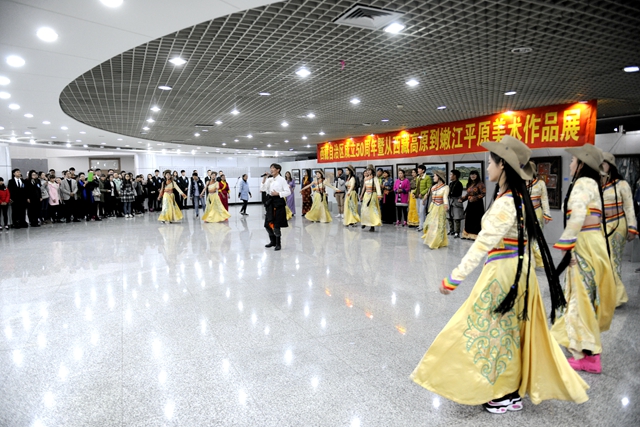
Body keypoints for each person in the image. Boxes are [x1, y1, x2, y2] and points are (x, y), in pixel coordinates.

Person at [412, 135, 589, 413]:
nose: (487, 167)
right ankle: (510, 390)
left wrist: (455, 277)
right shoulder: (517, 197)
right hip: (517, 270)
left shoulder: (507, 202)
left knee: (487, 329)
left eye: (491, 162)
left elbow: (482, 244)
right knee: (508, 329)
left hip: (503, 274)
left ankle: (502, 390)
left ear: (503, 165)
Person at [550, 144, 616, 374]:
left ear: (581, 163)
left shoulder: (583, 183)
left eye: (573, 160)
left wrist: (566, 245)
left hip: (583, 243)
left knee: (581, 298)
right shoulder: (593, 183)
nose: (570, 164)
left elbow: (577, 216)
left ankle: (590, 355)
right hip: (591, 242)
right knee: (583, 296)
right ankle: (584, 350)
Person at [601, 151, 637, 306]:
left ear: (610, 166)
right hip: (599, 226)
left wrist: (632, 228)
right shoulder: (595, 184)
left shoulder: (622, 184)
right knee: (602, 260)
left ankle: (616, 297)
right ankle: (605, 294)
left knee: (612, 260)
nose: (600, 166)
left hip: (617, 225)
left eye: (603, 163)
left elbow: (629, 207)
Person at [261, 163, 291, 251]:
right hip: (270, 202)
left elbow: (288, 192)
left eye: (273, 168)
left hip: (278, 203)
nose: (271, 170)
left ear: (278, 170)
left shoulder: (282, 180)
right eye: (270, 168)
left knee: (276, 225)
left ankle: (278, 243)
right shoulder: (269, 179)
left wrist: (278, 193)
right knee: (267, 224)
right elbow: (263, 189)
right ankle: (272, 241)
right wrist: (264, 178)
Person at [527, 163, 552, 265]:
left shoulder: (540, 183)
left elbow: (544, 199)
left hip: (537, 212)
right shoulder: (520, 183)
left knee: (537, 236)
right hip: (524, 212)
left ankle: (538, 259)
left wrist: (547, 214)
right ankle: (527, 260)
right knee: (525, 236)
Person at [422, 170, 449, 249]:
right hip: (433, 207)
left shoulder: (445, 187)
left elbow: (445, 197)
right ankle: (431, 240)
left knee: (439, 225)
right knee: (431, 224)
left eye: (434, 176)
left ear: (439, 177)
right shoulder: (433, 187)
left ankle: (436, 242)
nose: (433, 177)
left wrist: (446, 205)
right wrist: (424, 200)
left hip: (440, 207)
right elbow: (427, 194)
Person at [460, 170, 486, 240]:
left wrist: (474, 198)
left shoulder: (480, 183)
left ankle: (475, 236)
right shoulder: (469, 183)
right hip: (470, 204)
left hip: (477, 204)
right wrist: (462, 199)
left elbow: (483, 193)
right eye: (471, 174)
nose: (472, 176)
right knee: (469, 219)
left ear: (477, 175)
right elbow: (468, 194)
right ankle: (467, 235)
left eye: (474, 174)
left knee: (476, 219)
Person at [359, 166, 382, 232]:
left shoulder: (375, 178)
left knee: (372, 210)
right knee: (364, 209)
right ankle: (364, 222)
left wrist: (379, 195)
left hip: (373, 195)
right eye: (367, 170)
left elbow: (378, 187)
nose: (368, 171)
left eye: (369, 170)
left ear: (372, 171)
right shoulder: (365, 178)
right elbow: (364, 187)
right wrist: (361, 195)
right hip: (366, 195)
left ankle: (372, 226)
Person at [414, 165, 432, 232]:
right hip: (417, 197)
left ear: (423, 170)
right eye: (418, 169)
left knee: (422, 211)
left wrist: (422, 193)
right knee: (419, 211)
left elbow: (429, 188)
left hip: (423, 197)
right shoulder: (418, 177)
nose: (418, 170)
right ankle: (421, 225)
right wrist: (414, 193)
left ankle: (422, 225)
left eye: (419, 169)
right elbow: (417, 187)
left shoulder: (427, 177)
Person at [448, 169, 464, 238]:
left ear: (455, 176)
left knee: (457, 218)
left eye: (451, 174)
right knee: (449, 216)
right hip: (450, 201)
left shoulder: (459, 184)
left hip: (456, 201)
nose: (450, 176)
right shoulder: (451, 184)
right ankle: (451, 230)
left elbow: (456, 193)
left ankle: (457, 232)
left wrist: (450, 193)